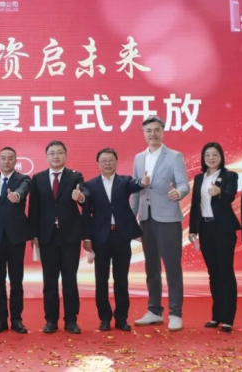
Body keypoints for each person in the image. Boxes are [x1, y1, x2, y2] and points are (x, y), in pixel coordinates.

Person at [131, 116, 190, 332]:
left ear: (163, 132)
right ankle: (154, 311)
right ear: (143, 133)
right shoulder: (138, 158)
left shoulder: (174, 156)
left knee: (172, 267)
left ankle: (175, 313)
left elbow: (184, 184)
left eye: (157, 130)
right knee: (151, 267)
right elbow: (135, 189)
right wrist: (131, 219)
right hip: (146, 219)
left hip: (168, 218)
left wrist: (179, 193)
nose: (153, 134)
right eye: (148, 131)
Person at [82, 148, 149, 332]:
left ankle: (121, 318)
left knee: (121, 280)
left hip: (121, 237)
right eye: (103, 160)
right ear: (98, 163)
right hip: (100, 238)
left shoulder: (124, 181)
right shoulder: (90, 185)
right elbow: (86, 213)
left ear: (116, 162)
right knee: (101, 280)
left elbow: (136, 185)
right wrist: (86, 237)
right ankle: (104, 318)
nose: (107, 163)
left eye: (110, 160)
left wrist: (143, 182)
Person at [29, 140, 87, 334]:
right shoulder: (37, 178)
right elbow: (34, 208)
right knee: (50, 280)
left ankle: (71, 320)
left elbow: (84, 195)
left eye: (60, 152)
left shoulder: (75, 176)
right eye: (52, 153)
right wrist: (33, 234)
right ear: (47, 157)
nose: (56, 156)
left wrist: (80, 197)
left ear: (65, 155)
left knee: (70, 279)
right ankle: (51, 320)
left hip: (70, 236)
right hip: (47, 236)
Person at [188, 142, 240, 333]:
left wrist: (220, 192)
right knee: (213, 273)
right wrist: (193, 230)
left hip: (224, 230)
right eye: (207, 155)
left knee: (225, 271)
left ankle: (228, 318)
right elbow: (195, 205)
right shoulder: (199, 178)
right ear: (203, 158)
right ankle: (216, 315)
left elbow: (230, 196)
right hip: (205, 229)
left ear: (221, 157)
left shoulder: (230, 176)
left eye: (215, 154)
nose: (211, 158)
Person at [0, 147, 31, 334]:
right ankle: (0, 319)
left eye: (10, 158)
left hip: (16, 237)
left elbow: (23, 190)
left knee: (16, 281)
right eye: (3, 158)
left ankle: (17, 320)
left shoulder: (23, 179)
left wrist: (16, 195)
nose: (7, 161)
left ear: (15, 160)